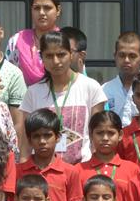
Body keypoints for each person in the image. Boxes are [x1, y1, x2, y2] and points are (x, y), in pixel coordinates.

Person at [19, 31, 106, 165]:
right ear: (41, 57)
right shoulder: (33, 92)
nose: (56, 61)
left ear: (71, 55)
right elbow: (25, 142)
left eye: (61, 55)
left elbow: (98, 134)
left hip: (82, 171)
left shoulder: (91, 87)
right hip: (43, 174)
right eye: (49, 56)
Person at [68, 111, 140, 201]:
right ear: (91, 135)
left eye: (111, 133)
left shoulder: (132, 169)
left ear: (120, 135)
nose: (105, 138)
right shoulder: (78, 170)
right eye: (99, 133)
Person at [16, 109, 76, 201]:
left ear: (58, 137)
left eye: (47, 135)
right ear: (29, 139)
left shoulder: (70, 172)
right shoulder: (19, 171)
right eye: (36, 136)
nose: (42, 141)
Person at [6, 0, 62, 87]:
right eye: (36, 8)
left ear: (58, 10)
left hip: (61, 99)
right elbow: (8, 77)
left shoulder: (66, 41)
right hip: (24, 100)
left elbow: (77, 78)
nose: (41, 13)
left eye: (47, 8)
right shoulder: (17, 41)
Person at [102, 31, 140, 126]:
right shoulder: (105, 90)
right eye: (122, 55)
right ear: (115, 56)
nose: (126, 60)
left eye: (132, 56)